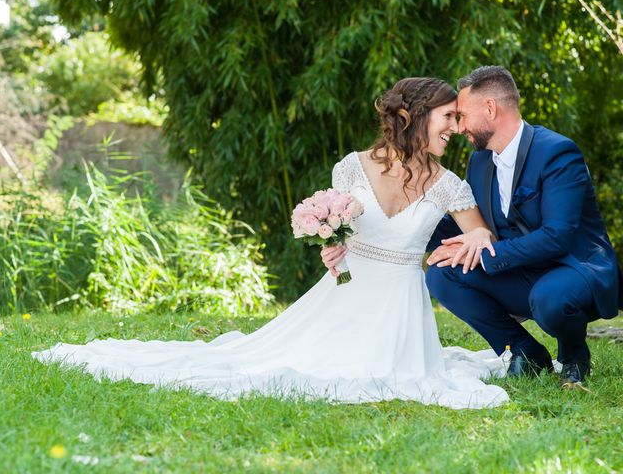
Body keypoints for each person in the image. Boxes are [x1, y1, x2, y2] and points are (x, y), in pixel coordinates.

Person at [33, 77, 509, 409]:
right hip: (346, 294)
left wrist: (472, 242)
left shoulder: (450, 183)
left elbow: (480, 232)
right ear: (413, 115)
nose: (456, 127)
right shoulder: (351, 167)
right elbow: (340, 228)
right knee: (272, 364)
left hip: (402, 306)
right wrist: (333, 245)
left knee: (390, 376)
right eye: (448, 116)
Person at [420, 66, 621, 384]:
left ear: (490, 108)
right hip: (521, 270)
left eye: (462, 116)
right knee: (443, 276)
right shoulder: (480, 161)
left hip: (573, 268)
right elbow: (473, 227)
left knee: (550, 299)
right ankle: (526, 352)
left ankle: (573, 354)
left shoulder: (556, 152)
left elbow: (558, 237)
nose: (458, 128)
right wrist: (414, 222)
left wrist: (487, 255)